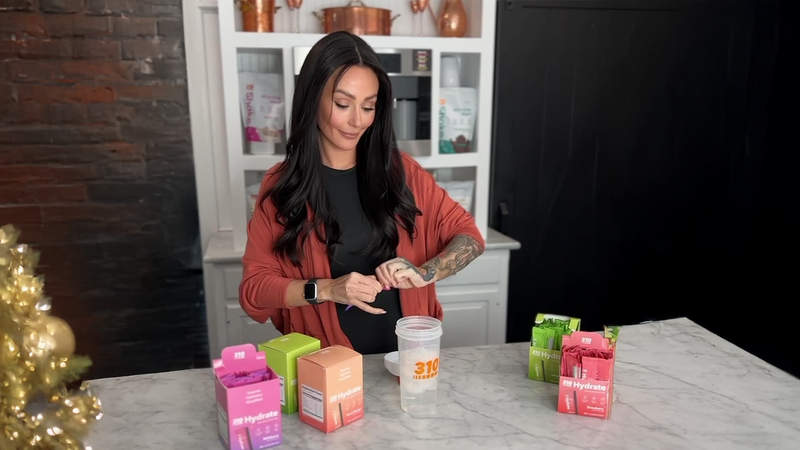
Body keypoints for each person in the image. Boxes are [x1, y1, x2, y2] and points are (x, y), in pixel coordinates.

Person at [239, 31, 485, 355]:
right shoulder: (283, 186)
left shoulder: (403, 173)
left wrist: (425, 272)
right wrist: (326, 289)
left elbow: (470, 237)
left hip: (408, 362)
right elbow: (254, 293)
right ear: (313, 98)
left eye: (368, 107)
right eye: (343, 104)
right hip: (327, 369)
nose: (357, 120)